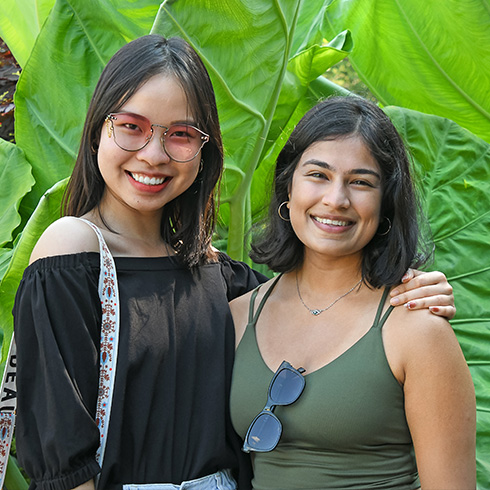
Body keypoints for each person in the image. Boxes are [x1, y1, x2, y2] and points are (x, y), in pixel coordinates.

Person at [12, 35, 457, 490]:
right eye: (131, 126)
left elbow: (320, 305)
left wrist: (416, 286)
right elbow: (60, 451)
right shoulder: (73, 251)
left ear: (204, 152)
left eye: (181, 134)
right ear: (96, 130)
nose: (153, 154)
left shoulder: (217, 276)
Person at [229, 97, 476, 489]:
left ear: (385, 204)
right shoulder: (239, 316)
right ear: (287, 188)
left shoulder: (415, 327)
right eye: (318, 175)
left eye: (361, 182)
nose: (336, 199)